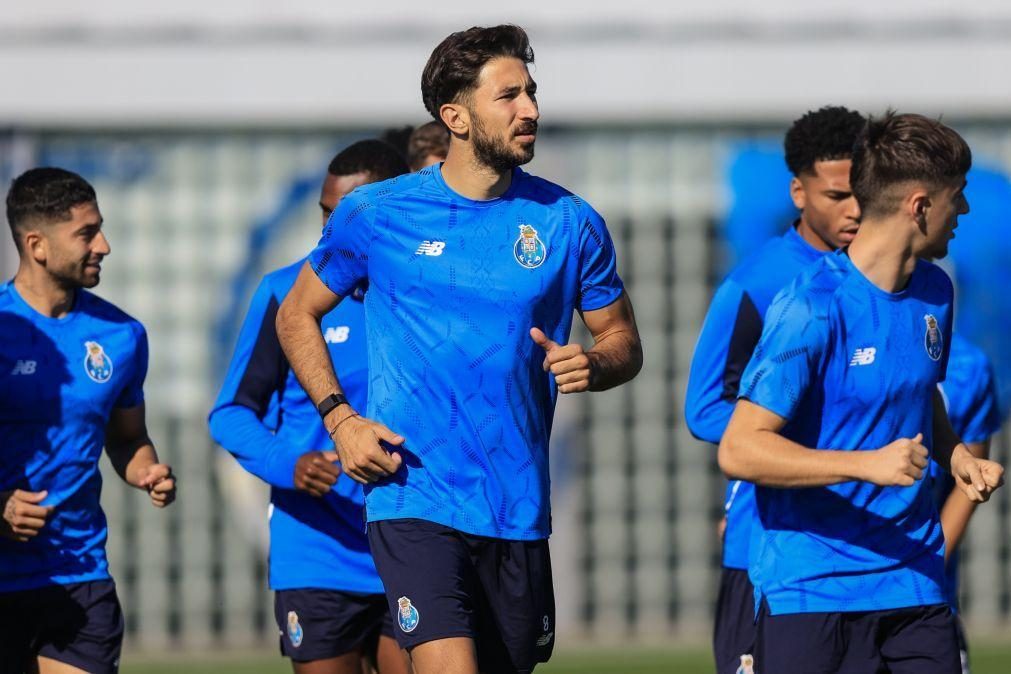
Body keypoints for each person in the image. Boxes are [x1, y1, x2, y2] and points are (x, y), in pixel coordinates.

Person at [275, 24, 642, 674]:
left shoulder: (568, 222)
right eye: (507, 96)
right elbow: (296, 313)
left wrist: (594, 361)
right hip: (414, 494)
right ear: (455, 116)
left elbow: (621, 341)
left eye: (530, 92)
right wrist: (342, 420)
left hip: (516, 507)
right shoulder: (376, 214)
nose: (529, 109)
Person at [719, 112, 1004, 673]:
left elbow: (920, 402)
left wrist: (957, 456)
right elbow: (740, 449)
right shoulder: (810, 308)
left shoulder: (936, 293)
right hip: (813, 590)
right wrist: (864, 465)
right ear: (920, 205)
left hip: (915, 581)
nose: (964, 211)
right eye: (957, 197)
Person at [209, 140, 411, 674]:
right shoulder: (285, 294)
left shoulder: (423, 292)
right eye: (324, 213)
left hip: (411, 545)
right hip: (316, 553)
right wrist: (291, 465)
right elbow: (230, 413)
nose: (328, 230)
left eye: (344, 215)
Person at [684, 105, 865, 674]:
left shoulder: (887, 281)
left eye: (863, 191)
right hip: (765, 547)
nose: (855, 208)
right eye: (836, 195)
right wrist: (792, 437)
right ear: (798, 191)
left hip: (865, 547)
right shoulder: (756, 284)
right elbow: (704, 407)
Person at [0, 167, 176, 674]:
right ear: (36, 245)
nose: (104, 244)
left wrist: (146, 469)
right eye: (86, 233)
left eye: (100, 227)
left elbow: (128, 437)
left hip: (81, 575)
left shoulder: (122, 335)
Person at [931, 333, 1002, 674]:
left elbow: (969, 484)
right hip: (835, 589)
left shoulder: (967, 367)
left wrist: (930, 556)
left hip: (927, 594)